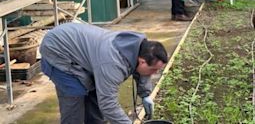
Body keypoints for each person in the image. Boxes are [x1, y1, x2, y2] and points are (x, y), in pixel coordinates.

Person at [40, 23, 168, 123]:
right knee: (75, 97)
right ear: (143, 62)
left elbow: (142, 72)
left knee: (95, 93)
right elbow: (108, 104)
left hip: (76, 42)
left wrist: (145, 94)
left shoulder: (139, 47)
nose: (154, 73)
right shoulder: (112, 63)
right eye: (153, 70)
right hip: (57, 49)